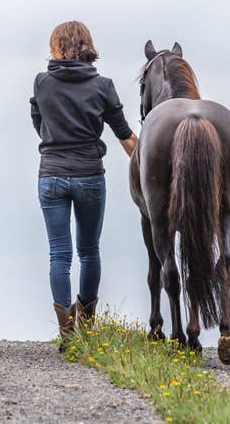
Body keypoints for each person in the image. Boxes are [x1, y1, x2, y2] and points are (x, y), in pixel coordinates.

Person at [30, 21, 138, 349]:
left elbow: (38, 122)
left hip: (50, 175)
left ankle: (66, 333)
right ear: (87, 46)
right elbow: (125, 136)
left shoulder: (42, 83)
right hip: (90, 175)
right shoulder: (103, 86)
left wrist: (55, 144)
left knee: (59, 255)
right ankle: (86, 327)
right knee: (89, 251)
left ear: (57, 46)